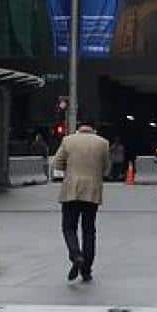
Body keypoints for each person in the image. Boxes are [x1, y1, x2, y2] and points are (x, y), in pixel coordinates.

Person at [54, 121, 108, 282]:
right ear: (93, 129)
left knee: (68, 227)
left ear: (79, 128)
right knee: (89, 230)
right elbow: (106, 167)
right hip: (92, 191)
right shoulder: (103, 143)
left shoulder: (68, 140)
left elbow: (57, 163)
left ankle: (75, 254)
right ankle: (86, 270)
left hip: (71, 189)